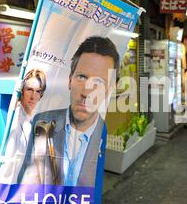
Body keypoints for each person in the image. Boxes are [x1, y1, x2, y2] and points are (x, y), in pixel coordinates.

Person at [18, 36, 119, 187]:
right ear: (70, 80)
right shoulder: (42, 122)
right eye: (81, 77)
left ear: (109, 90)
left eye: (99, 82)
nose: (86, 92)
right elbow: (25, 184)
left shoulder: (101, 129)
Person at [0, 69, 46, 183]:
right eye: (29, 89)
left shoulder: (40, 119)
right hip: (14, 184)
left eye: (37, 91)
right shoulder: (16, 115)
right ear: (22, 91)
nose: (33, 96)